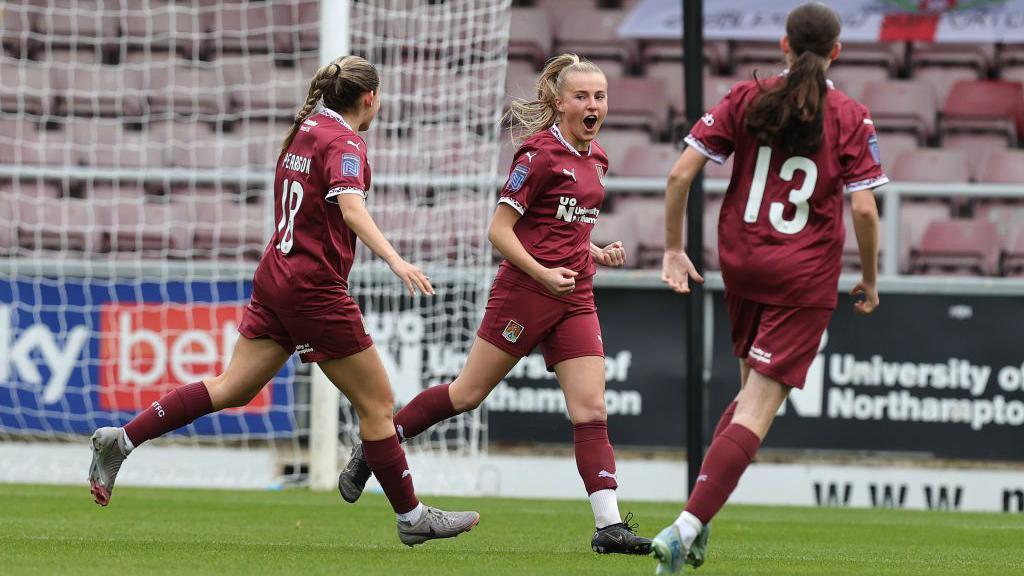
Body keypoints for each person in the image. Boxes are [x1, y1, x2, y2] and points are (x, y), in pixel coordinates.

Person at [87, 55, 480, 547]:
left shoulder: (308, 128)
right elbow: (351, 208)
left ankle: (120, 441)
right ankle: (411, 515)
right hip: (313, 289)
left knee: (232, 387)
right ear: (370, 98)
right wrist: (396, 261)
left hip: (278, 275)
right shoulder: (344, 142)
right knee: (378, 405)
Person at [336, 53, 651, 555]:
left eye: (600, 96)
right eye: (582, 96)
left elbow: (565, 226)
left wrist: (596, 249)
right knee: (467, 395)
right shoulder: (537, 156)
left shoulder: (598, 160)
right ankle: (377, 447)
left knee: (591, 409)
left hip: (574, 295)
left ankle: (609, 526)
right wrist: (545, 272)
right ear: (558, 101)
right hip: (526, 292)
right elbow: (498, 232)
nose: (594, 105)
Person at [651, 3, 885, 573]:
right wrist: (871, 278)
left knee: (745, 400)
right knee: (758, 409)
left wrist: (675, 248)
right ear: (837, 51)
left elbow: (681, 173)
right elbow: (865, 210)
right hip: (801, 278)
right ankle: (684, 527)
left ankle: (701, 521)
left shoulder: (744, 98)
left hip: (742, 266)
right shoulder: (850, 115)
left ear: (783, 44)